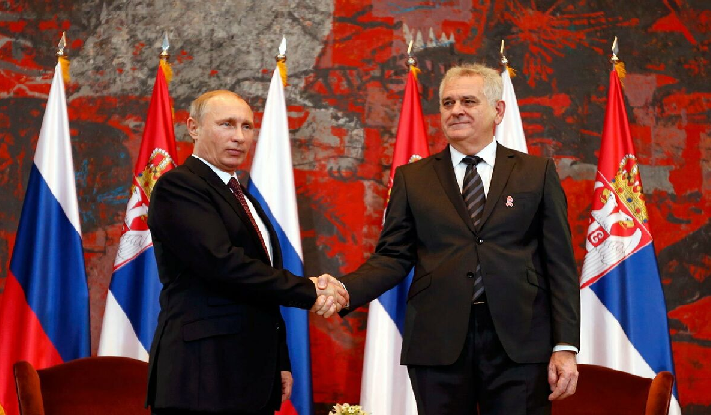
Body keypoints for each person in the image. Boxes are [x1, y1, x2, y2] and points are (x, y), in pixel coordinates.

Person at [336, 64, 580, 414]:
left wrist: (565, 345)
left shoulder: (536, 173)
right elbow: (392, 257)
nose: (456, 110)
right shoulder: (412, 178)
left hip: (521, 342)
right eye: (448, 103)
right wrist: (346, 290)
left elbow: (560, 265)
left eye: (468, 101)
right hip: (438, 343)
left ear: (498, 111)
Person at [145, 90, 347, 415]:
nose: (239, 137)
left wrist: (279, 360)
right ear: (193, 127)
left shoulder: (242, 196)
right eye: (226, 124)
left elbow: (261, 286)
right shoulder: (179, 186)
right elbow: (223, 264)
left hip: (251, 375)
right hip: (203, 375)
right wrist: (309, 290)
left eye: (247, 126)